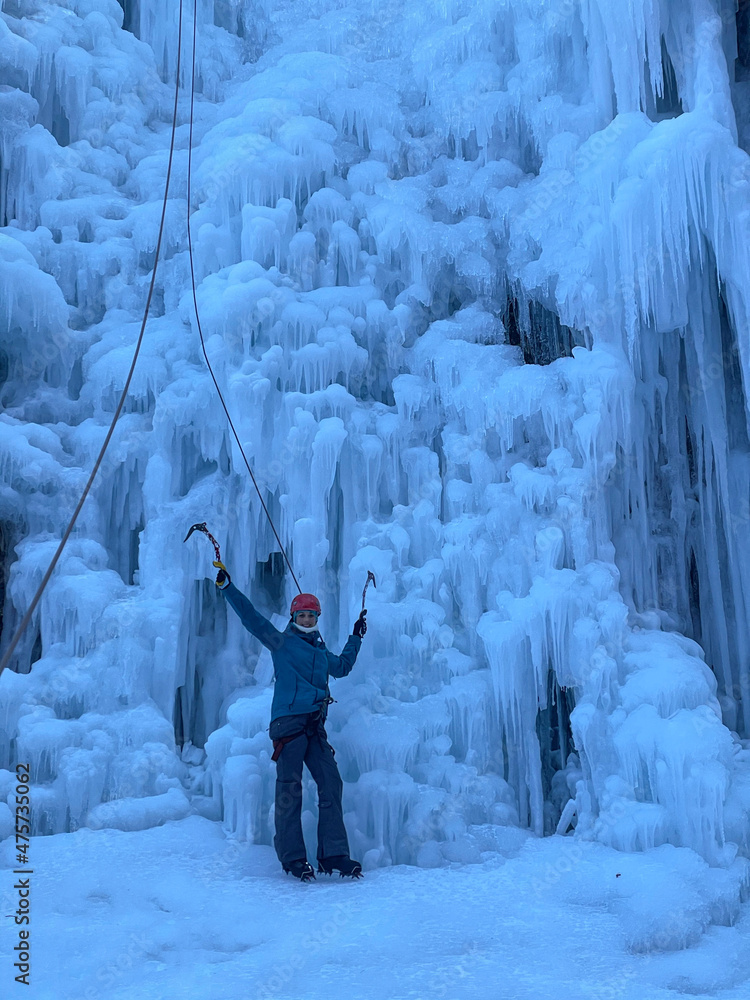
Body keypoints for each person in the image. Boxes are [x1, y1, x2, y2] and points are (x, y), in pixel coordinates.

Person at [214, 560, 367, 881]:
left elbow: (342, 667)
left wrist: (356, 637)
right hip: (288, 725)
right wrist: (228, 587)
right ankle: (293, 858)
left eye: (311, 615)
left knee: (331, 783)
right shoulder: (282, 642)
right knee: (290, 789)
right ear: (294, 618)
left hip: (314, 726)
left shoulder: (322, 653)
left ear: (317, 618)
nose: (307, 618)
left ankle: (334, 854)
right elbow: (253, 620)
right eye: (301, 615)